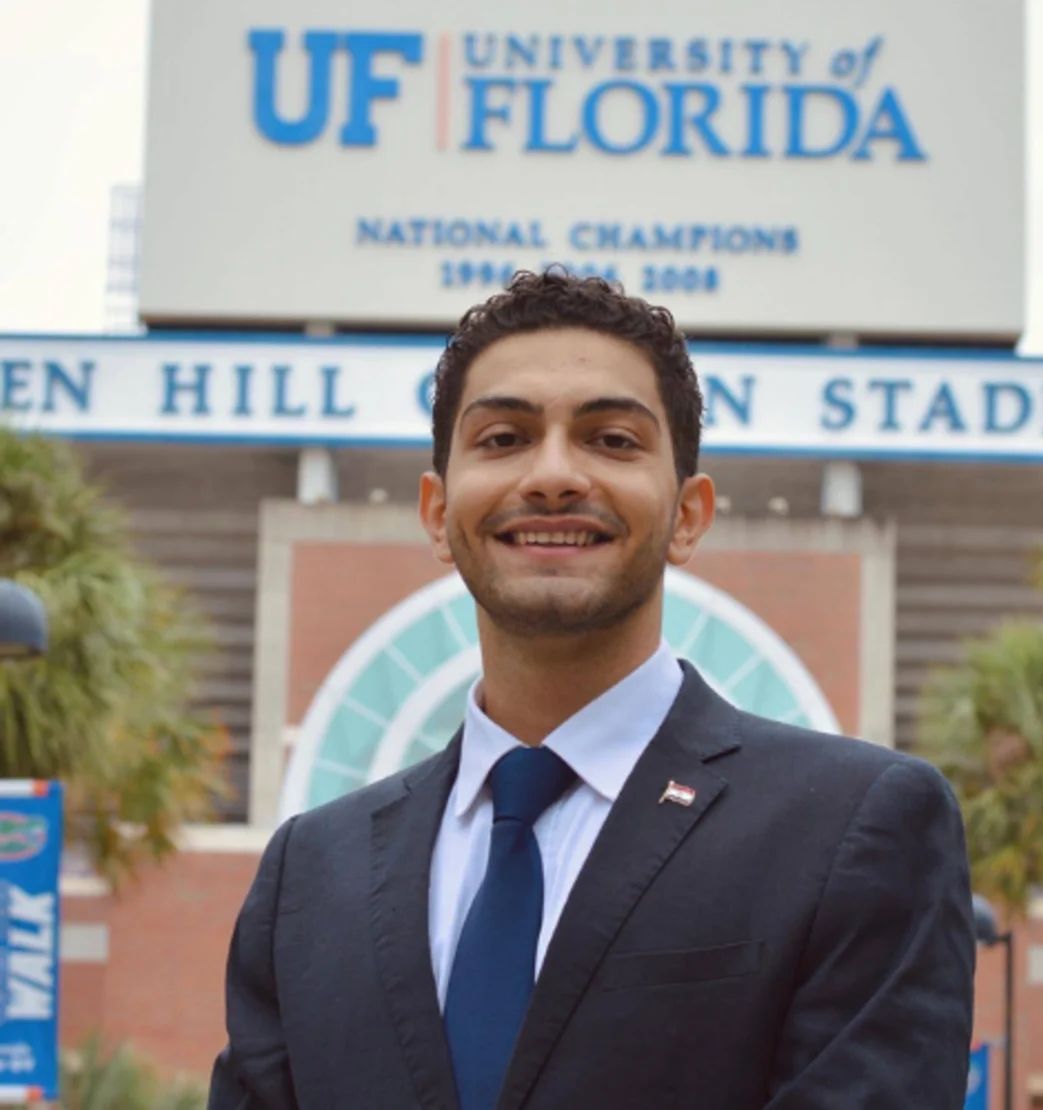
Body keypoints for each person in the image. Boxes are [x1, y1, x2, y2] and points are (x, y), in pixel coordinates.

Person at [209, 270, 975, 1109]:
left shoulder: (854, 828)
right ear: (436, 513)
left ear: (688, 515)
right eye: (503, 438)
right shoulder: (311, 874)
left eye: (611, 440)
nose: (552, 475)